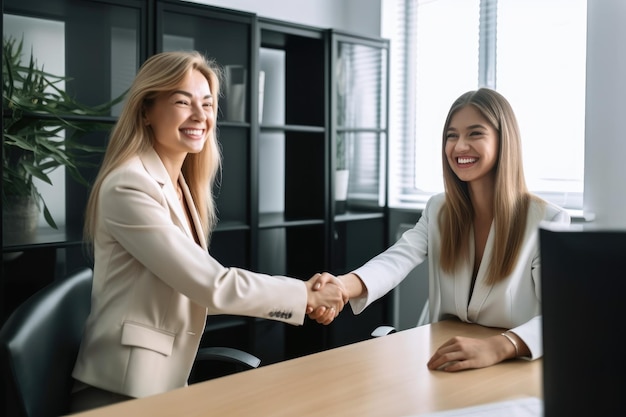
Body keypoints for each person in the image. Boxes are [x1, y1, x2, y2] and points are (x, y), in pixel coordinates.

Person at [70, 50, 346, 412]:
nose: (201, 116)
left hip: (162, 384)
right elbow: (211, 286)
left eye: (208, 103)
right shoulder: (129, 186)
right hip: (121, 394)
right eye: (183, 102)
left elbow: (191, 291)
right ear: (146, 111)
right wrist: (303, 296)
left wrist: (302, 296)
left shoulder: (179, 186)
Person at [309, 87, 570, 372]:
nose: (459, 147)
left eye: (475, 133)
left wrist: (500, 346)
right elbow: (397, 259)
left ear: (503, 140)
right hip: (446, 360)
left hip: (514, 367)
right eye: (451, 136)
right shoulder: (439, 210)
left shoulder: (546, 220)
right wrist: (342, 287)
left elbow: (565, 315)